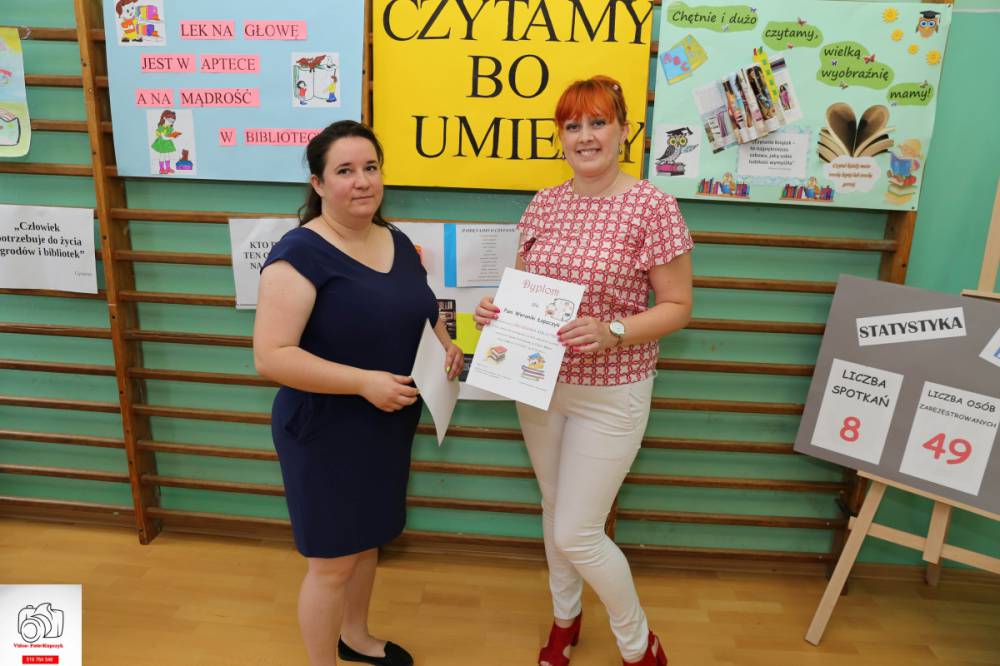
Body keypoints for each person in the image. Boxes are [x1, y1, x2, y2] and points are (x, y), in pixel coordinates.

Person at [474, 76, 694, 666]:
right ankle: (564, 619)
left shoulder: (652, 205)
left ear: (624, 131)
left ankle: (638, 642)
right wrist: (495, 311)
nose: (585, 136)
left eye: (598, 122)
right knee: (555, 512)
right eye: (572, 126)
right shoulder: (544, 203)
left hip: (613, 391)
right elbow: (524, 292)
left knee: (577, 530)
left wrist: (612, 330)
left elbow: (678, 307)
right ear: (561, 137)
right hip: (539, 385)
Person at [253, 120, 463, 666]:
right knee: (332, 563)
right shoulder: (298, 254)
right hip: (323, 429)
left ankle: (356, 637)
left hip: (384, 424)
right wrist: (363, 382)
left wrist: (446, 346)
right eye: (344, 170)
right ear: (319, 184)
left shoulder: (396, 241)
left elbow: (421, 311)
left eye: (370, 167)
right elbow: (271, 356)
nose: (362, 181)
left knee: (367, 541)